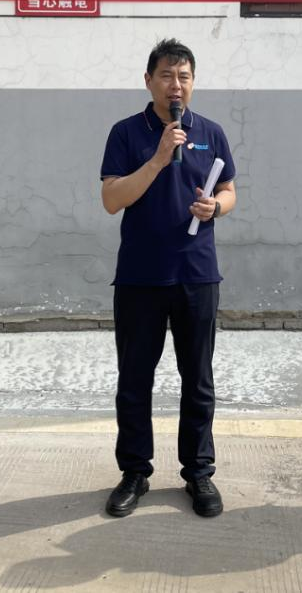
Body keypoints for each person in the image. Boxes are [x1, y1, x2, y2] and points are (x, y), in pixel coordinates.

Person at [99, 38, 237, 518]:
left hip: (197, 274)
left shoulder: (211, 132)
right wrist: (158, 158)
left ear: (192, 82)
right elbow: (112, 199)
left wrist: (216, 206)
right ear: (148, 81)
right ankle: (134, 472)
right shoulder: (125, 133)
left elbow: (229, 189)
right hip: (140, 277)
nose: (175, 85)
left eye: (184, 77)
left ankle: (198, 472)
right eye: (166, 76)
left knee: (197, 379)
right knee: (134, 380)